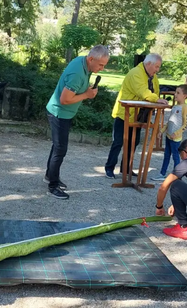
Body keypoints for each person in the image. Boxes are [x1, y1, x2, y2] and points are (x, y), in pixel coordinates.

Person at [45, 45, 109, 199]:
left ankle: (49, 176)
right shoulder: (77, 73)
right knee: (60, 149)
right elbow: (65, 99)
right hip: (59, 113)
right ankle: (52, 186)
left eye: (104, 65)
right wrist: (87, 94)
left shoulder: (82, 62)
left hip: (62, 113)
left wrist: (86, 89)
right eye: (101, 65)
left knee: (57, 147)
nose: (102, 68)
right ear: (91, 59)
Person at [104, 53, 168, 179]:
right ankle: (109, 168)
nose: (157, 70)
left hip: (138, 115)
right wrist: (156, 99)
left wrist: (156, 99)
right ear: (148, 64)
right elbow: (144, 92)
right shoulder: (136, 73)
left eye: (158, 67)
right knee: (119, 142)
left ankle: (126, 168)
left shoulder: (152, 76)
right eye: (156, 66)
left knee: (134, 142)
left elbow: (155, 91)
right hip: (125, 114)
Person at [151, 84, 187, 182]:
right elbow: (170, 121)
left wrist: (176, 133)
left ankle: (177, 176)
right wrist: (162, 131)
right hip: (168, 136)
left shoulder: (184, 108)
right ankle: (162, 173)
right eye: (175, 92)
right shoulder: (175, 106)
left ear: (184, 96)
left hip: (175, 138)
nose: (175, 95)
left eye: (178, 93)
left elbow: (186, 125)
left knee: (176, 156)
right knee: (166, 155)